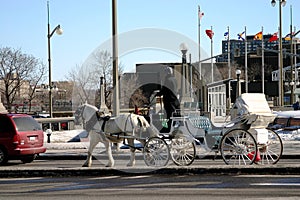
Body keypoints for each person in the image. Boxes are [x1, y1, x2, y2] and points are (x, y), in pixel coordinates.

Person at [157, 66, 180, 132]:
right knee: (172, 116)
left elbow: (165, 90)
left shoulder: (167, 80)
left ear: (167, 73)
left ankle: (168, 129)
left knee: (168, 116)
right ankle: (170, 128)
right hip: (175, 100)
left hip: (169, 101)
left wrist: (159, 94)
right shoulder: (174, 79)